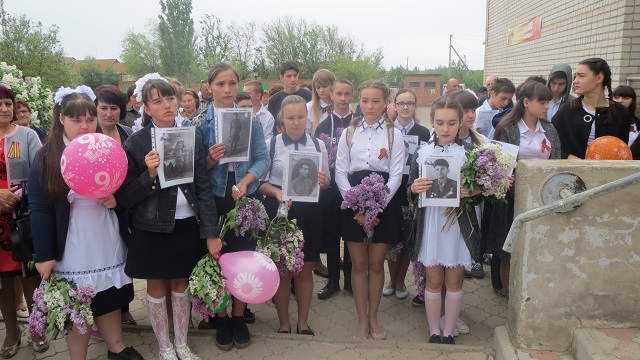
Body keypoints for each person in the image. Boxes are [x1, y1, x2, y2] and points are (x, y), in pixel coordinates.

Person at [30, 87, 141, 360]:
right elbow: (39, 208)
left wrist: (116, 199)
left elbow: (126, 188)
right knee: (75, 301)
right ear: (61, 119)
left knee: (108, 295)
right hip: (71, 240)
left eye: (90, 119)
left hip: (105, 232)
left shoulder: (106, 148)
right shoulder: (48, 156)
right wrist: (44, 255)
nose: (84, 125)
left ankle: (115, 346)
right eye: (76, 119)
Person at [114, 76, 220, 360]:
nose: (166, 105)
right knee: (157, 284)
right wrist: (148, 175)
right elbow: (124, 197)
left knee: (180, 283)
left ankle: (182, 344)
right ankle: (164, 346)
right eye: (157, 101)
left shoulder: (192, 134)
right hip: (151, 225)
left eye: (170, 99)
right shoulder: (136, 143)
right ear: (146, 108)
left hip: (186, 223)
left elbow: (203, 186)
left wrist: (211, 231)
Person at [200, 62, 269, 350]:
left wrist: (246, 181)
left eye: (232, 83)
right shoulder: (200, 125)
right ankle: (222, 316)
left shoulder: (250, 120)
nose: (227, 89)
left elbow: (263, 159)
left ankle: (239, 316)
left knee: (243, 259)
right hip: (213, 199)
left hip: (243, 197)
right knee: (216, 259)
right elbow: (192, 171)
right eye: (220, 84)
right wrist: (210, 160)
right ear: (210, 88)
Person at [407, 96, 481, 345]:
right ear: (432, 122)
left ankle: (448, 332)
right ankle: (433, 330)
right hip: (431, 224)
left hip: (458, 226)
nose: (446, 129)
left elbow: (484, 191)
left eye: (451, 123)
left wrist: (476, 191)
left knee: (454, 280)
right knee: (434, 280)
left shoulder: (470, 152)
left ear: (461, 122)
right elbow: (408, 191)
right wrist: (414, 188)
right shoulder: (421, 152)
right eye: (440, 123)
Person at [335, 80, 404, 340]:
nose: (370, 106)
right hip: (353, 203)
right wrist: (355, 203)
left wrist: (376, 208)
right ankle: (361, 321)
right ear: (359, 102)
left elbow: (396, 175)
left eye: (376, 101)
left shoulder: (393, 134)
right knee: (359, 265)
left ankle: (374, 318)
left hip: (383, 201)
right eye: (365, 100)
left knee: (376, 266)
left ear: (386, 102)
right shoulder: (349, 133)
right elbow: (341, 171)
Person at [260, 94, 330, 335]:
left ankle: (302, 322)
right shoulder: (270, 144)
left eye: (301, 116)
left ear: (307, 116)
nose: (297, 122)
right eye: (291, 118)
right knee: (283, 270)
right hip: (280, 212)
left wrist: (322, 182)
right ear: (282, 118)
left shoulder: (318, 145)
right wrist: (277, 192)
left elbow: (327, 182)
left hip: (309, 213)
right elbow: (260, 183)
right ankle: (283, 323)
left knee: (304, 269)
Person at [489, 81, 561, 299]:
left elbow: (556, 161)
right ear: (526, 102)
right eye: (542, 101)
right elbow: (499, 168)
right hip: (513, 200)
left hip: (542, 198)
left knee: (536, 249)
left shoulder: (549, 129)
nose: (547, 106)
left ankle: (534, 296)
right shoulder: (507, 128)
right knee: (509, 251)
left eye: (548, 102)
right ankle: (510, 299)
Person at [0, 85, 48, 358]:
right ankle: (11, 331)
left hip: (23, 218)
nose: (5, 109)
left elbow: (39, 173)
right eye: (0, 104)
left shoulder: (27, 136)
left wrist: (14, 195)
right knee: (4, 281)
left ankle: (37, 328)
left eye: (8, 103)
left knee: (29, 277)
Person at [93, 85, 137, 327]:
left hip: (126, 204)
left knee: (126, 254)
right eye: (103, 108)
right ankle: (104, 312)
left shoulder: (128, 133)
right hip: (98, 207)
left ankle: (124, 307)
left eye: (114, 107)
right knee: (106, 258)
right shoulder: (88, 136)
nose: (109, 113)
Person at [383, 89, 430, 303]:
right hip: (391, 189)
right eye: (401, 103)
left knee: (407, 237)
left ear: (415, 106)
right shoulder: (386, 130)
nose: (405, 107)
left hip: (412, 189)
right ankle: (391, 280)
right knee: (392, 238)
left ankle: (401, 280)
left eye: (409, 103)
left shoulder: (424, 132)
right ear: (393, 105)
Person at [313, 79, 356, 299]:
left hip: (351, 187)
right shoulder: (322, 125)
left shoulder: (358, 122)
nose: (342, 98)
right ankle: (333, 281)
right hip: (330, 190)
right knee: (331, 236)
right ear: (331, 95)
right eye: (338, 93)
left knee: (350, 235)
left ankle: (350, 280)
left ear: (352, 96)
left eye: (347, 94)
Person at [552, 58, 629, 159]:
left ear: (599, 78)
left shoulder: (620, 113)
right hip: (573, 172)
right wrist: (569, 157)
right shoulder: (567, 110)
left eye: (581, 76)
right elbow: (552, 144)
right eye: (575, 76)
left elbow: (622, 151)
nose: (575, 81)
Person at [267, 61, 312, 136]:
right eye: (289, 76)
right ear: (281, 78)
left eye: (295, 75)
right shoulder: (274, 100)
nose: (293, 79)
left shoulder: (309, 95)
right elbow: (274, 126)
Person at [307, 69, 335, 136]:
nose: (321, 90)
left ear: (333, 85)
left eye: (325, 86)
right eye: (318, 87)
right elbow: (306, 135)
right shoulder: (309, 107)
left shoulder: (343, 105)